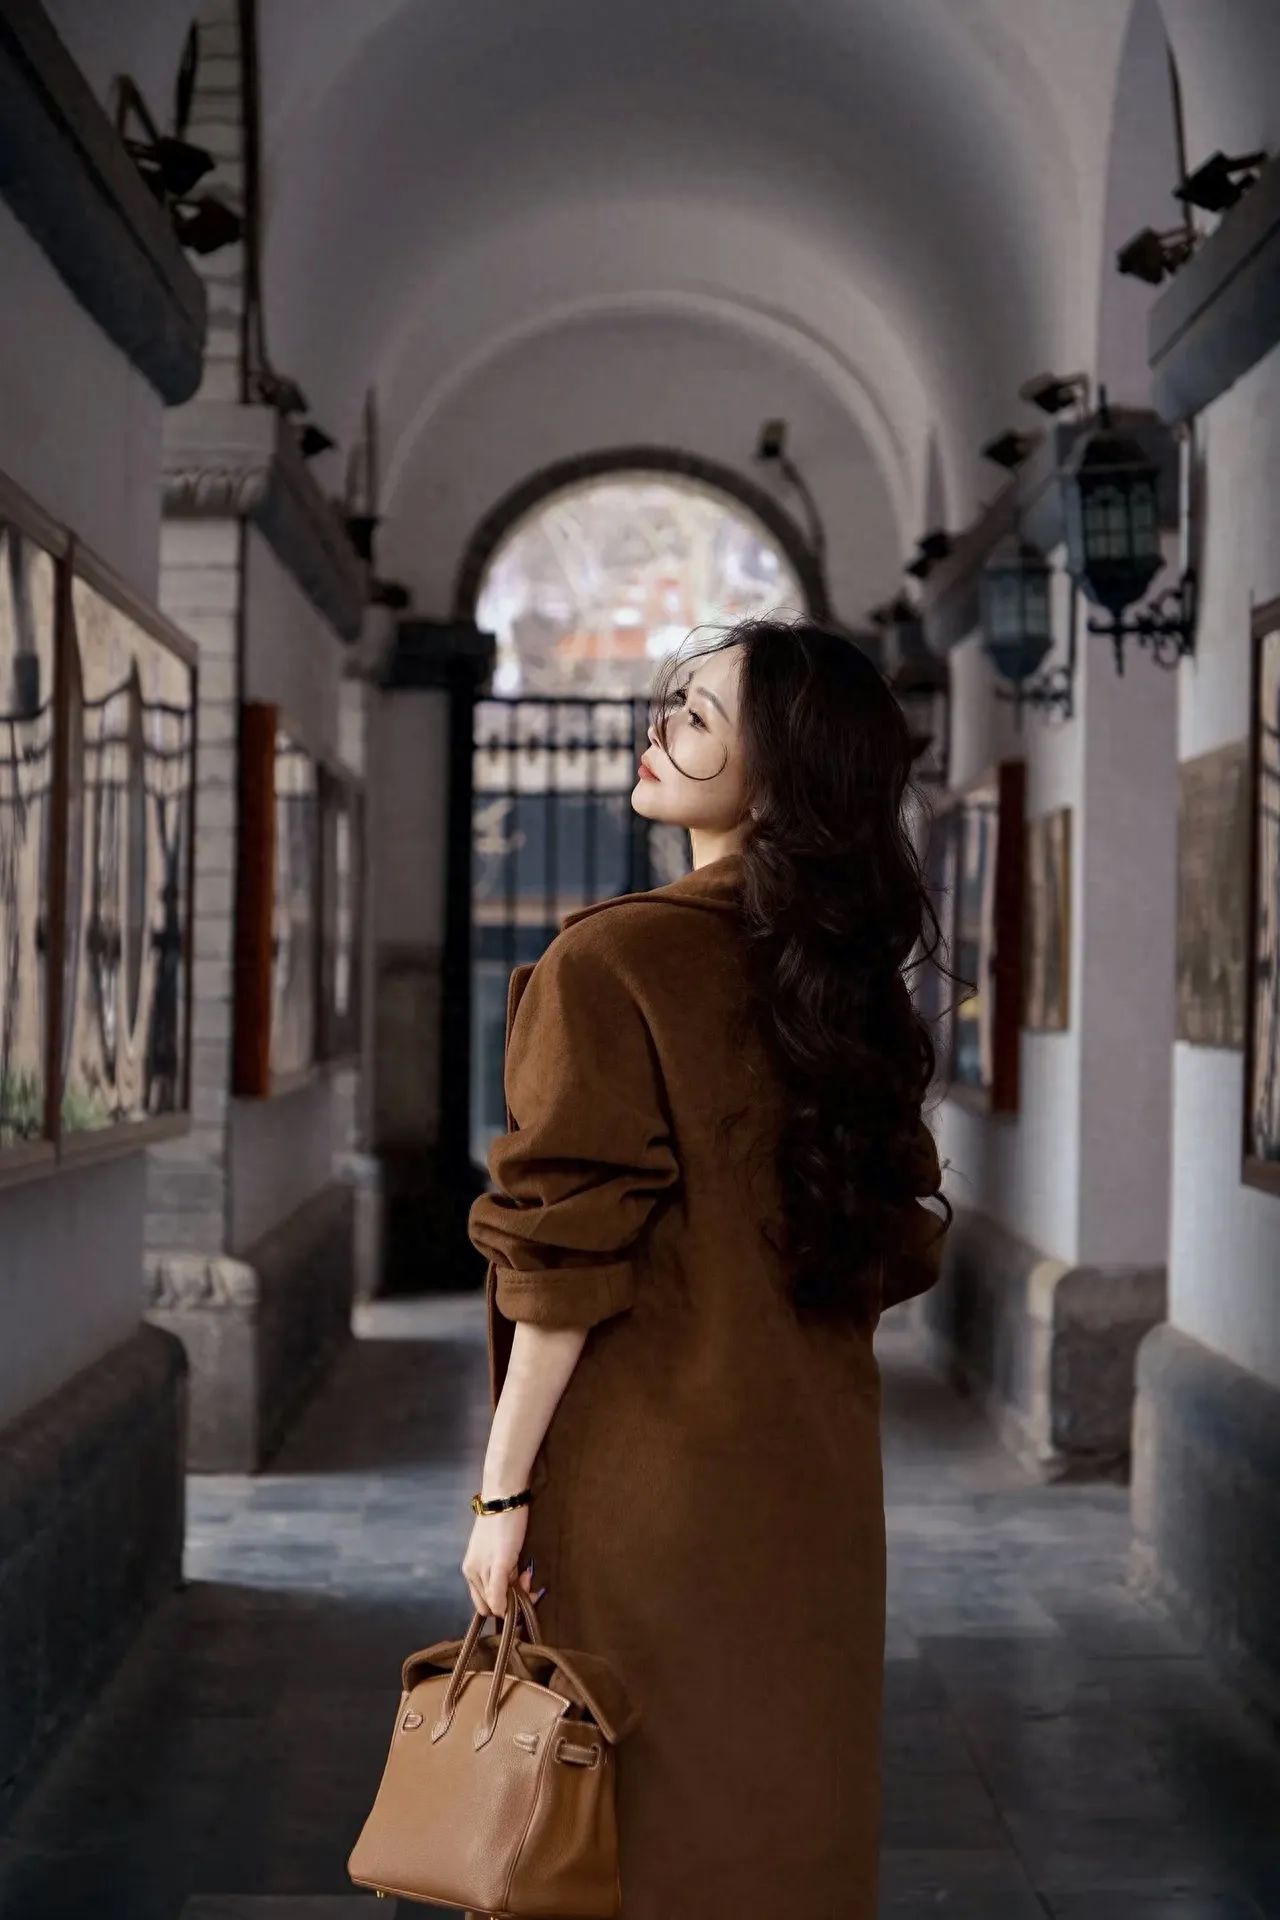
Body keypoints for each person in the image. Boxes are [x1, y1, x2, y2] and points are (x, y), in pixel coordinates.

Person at [464, 615, 953, 1920]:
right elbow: (890, 1244)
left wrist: (502, 1496)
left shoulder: (609, 960)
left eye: (697, 717)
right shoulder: (847, 985)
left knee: (627, 1844)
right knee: (785, 1832)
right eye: (669, 703)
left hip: (650, 1486)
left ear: (780, 778)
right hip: (817, 1480)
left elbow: (562, 1263)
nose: (660, 727)